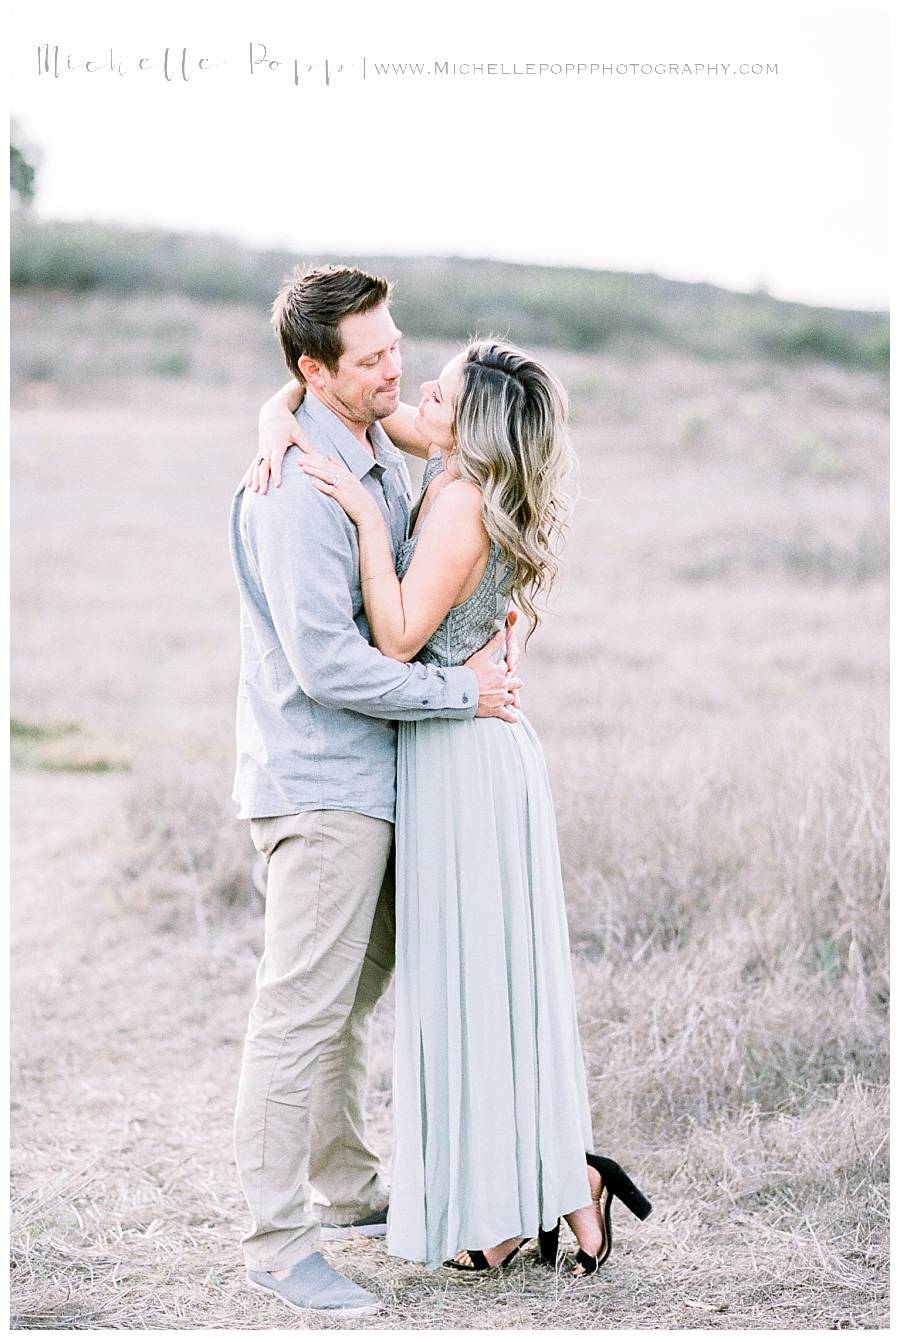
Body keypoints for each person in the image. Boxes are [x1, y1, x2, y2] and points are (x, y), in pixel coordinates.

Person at [251, 317, 653, 1284]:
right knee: (495, 989)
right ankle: (552, 1188)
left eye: (436, 396)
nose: (411, 400)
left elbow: (392, 639)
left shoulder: (460, 502)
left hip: (463, 759)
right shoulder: (458, 476)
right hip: (469, 752)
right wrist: (275, 417)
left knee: (478, 989)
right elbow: (312, 392)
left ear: (469, 430)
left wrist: (352, 509)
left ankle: (542, 1190)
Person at [229, 263, 524, 1320]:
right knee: (300, 1011)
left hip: (384, 774)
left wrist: (279, 409)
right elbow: (327, 666)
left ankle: (347, 1189)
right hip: (320, 781)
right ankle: (276, 1244)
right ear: (318, 368)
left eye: (397, 344)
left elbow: (441, 444)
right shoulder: (299, 489)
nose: (397, 368)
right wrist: (459, 691)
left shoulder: (360, 427)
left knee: (350, 1001)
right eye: (373, 358)